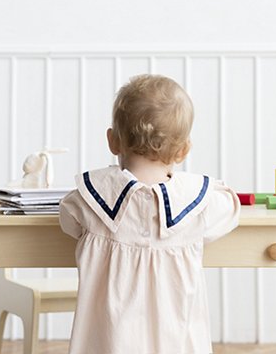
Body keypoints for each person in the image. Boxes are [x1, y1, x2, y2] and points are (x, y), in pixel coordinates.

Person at [59, 74, 240, 354]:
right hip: (175, 343)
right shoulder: (195, 203)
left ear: (112, 140)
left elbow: (67, 218)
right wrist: (210, 184)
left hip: (108, 344)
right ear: (183, 151)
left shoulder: (91, 199)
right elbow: (230, 207)